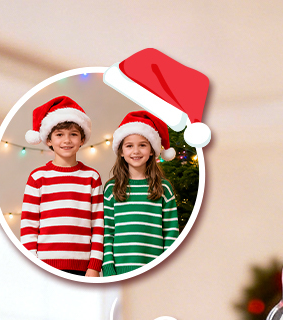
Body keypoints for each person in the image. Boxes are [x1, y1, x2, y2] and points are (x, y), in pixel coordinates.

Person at [20, 96, 102, 277]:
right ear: (48, 140)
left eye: (73, 134)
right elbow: (29, 225)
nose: (67, 140)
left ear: (82, 139)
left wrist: (94, 266)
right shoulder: (37, 177)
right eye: (59, 134)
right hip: (44, 265)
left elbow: (98, 225)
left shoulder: (92, 177)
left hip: (83, 268)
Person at [101, 111, 180, 276]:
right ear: (121, 151)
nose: (135, 151)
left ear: (152, 150)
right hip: (118, 272)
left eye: (142, 145)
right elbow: (107, 232)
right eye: (129, 145)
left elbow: (171, 233)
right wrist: (108, 269)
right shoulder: (111, 189)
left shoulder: (164, 188)